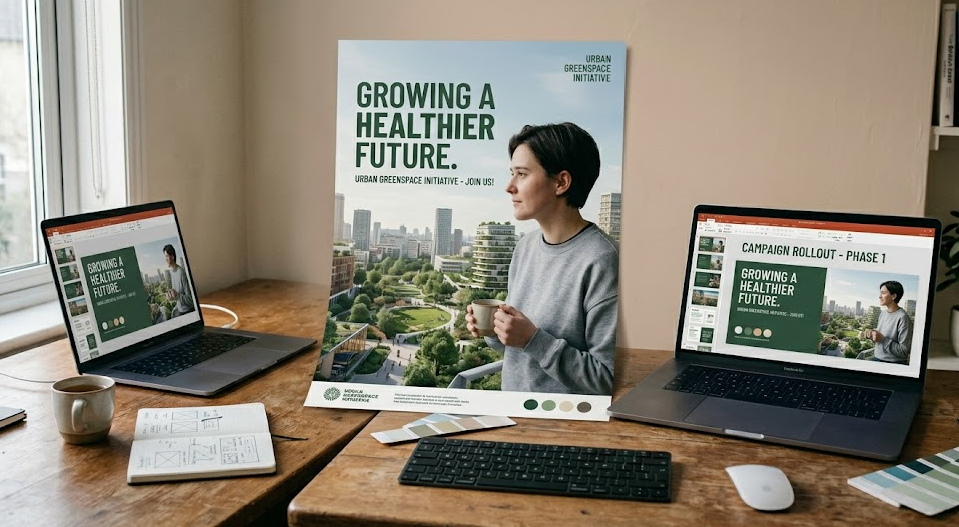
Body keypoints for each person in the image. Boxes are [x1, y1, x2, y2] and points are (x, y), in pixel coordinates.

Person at [465, 122, 618, 395]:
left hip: (562, 426)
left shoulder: (603, 260)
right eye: (511, 173)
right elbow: (519, 347)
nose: (509, 187)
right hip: (512, 417)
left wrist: (533, 340)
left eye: (521, 174)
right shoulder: (524, 247)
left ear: (561, 182)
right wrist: (493, 329)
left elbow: (606, 379)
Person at [862, 280, 911, 364]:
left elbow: (904, 352)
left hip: (893, 363)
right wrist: (872, 334)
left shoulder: (903, 318)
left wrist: (882, 339)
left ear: (893, 296)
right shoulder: (883, 313)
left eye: (883, 293)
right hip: (877, 358)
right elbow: (881, 337)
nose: (879, 296)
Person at [163, 244, 195, 317]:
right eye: (165, 257)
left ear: (173, 257)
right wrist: (171, 296)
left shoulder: (181, 273)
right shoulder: (171, 272)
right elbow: (176, 296)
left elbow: (191, 300)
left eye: (167, 256)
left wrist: (177, 295)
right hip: (179, 310)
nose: (166, 259)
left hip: (187, 312)